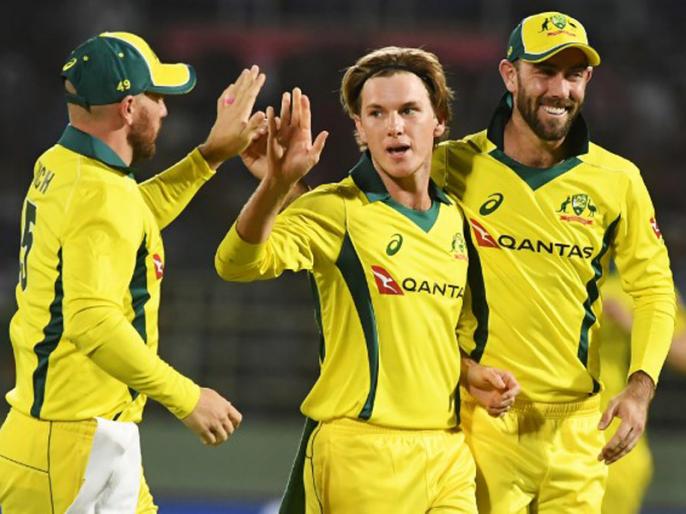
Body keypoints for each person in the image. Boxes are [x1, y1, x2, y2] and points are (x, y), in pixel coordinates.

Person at [216, 47, 519, 513]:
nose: (394, 126)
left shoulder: (456, 221)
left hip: (447, 453)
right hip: (362, 454)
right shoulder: (334, 209)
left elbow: (428, 331)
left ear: (439, 121)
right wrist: (274, 186)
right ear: (359, 128)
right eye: (377, 113)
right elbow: (235, 264)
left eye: (409, 110)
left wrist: (468, 373)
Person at [0, 32, 267, 513]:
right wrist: (187, 398)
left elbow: (129, 215)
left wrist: (209, 156)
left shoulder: (63, 164)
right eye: (156, 97)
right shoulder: (100, 194)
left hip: (81, 437)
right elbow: (92, 322)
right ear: (128, 108)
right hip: (70, 451)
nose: (164, 110)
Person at [431, 11, 676, 513]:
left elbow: (653, 289)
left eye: (573, 74)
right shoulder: (451, 166)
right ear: (509, 74)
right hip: (483, 425)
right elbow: (364, 224)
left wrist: (640, 388)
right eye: (544, 71)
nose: (559, 89)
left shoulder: (618, 179)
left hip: (581, 434)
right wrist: (283, 184)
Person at [599, 270, 686, 514]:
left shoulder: (644, 284)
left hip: (610, 434)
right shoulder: (558, 270)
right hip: (541, 426)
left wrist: (634, 326)